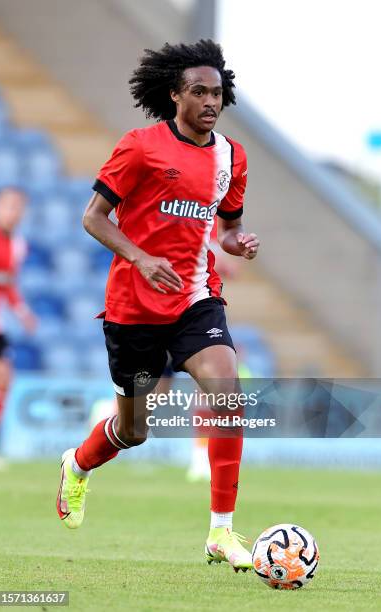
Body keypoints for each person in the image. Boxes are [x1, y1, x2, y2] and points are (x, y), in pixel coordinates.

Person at [56, 39, 259, 572]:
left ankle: (221, 531)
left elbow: (229, 227)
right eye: (199, 92)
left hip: (195, 297)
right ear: (175, 95)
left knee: (228, 397)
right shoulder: (140, 146)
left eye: (217, 93)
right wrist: (141, 258)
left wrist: (239, 243)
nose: (210, 101)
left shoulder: (231, 156)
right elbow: (94, 217)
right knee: (134, 431)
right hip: (135, 307)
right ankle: (77, 466)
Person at [0, 187, 36, 467]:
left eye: (18, 207)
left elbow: (9, 285)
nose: (13, 212)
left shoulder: (18, 245)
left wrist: (23, 312)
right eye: (8, 206)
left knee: (2, 382)